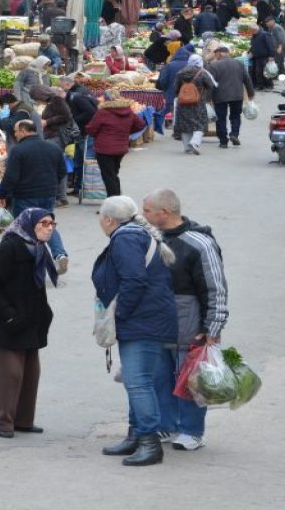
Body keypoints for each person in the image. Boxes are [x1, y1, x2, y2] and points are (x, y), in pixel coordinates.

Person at [93, 195, 178, 467]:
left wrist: (118, 316)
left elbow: (134, 280)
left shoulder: (125, 238)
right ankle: (136, 435)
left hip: (142, 321)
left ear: (108, 220)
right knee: (135, 379)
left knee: (139, 381)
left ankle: (149, 443)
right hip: (149, 318)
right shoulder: (136, 234)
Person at [142, 188, 227, 452]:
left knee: (190, 380)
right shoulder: (150, 238)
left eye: (146, 211)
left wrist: (212, 327)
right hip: (156, 324)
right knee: (160, 378)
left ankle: (192, 430)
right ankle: (166, 425)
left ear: (164, 213)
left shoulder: (199, 243)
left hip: (189, 326)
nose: (141, 215)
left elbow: (216, 287)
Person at [0, 207, 57, 439]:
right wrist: (9, 313)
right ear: (30, 225)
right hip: (5, 324)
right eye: (43, 223)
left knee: (30, 374)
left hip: (30, 322)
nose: (49, 228)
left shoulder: (38, 248)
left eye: (52, 224)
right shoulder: (11, 247)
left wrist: (44, 313)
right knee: (7, 374)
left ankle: (22, 420)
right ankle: (0, 422)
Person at [0, 120, 68, 267]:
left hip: (25, 196)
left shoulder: (18, 150)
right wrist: (51, 185)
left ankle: (29, 262)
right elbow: (62, 171)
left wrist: (2, 194)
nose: (15, 135)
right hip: (47, 194)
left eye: (16, 132)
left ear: (23, 131)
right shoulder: (53, 147)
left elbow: (11, 177)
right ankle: (59, 254)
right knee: (46, 224)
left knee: (25, 229)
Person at [85, 90, 146, 197]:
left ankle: (113, 202)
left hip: (104, 148)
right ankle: (117, 198)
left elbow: (91, 129)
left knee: (108, 176)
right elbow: (140, 124)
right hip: (120, 148)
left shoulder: (103, 112)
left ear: (106, 99)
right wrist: (125, 132)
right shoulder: (128, 111)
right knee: (113, 174)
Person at [208, 45, 254, 148]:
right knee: (235, 116)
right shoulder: (239, 64)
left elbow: (210, 83)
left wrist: (208, 98)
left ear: (220, 53)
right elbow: (247, 80)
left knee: (220, 118)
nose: (215, 56)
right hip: (237, 95)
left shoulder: (214, 66)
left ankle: (223, 141)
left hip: (220, 96)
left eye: (216, 54)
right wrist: (251, 94)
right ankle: (234, 134)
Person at [174, 55, 216, 155]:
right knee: (200, 124)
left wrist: (182, 95)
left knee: (185, 124)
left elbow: (175, 88)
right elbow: (210, 86)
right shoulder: (202, 73)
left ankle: (187, 147)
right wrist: (205, 97)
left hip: (183, 103)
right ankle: (195, 142)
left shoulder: (180, 73)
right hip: (198, 103)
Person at [249, 19, 279, 91]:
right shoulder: (254, 36)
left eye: (252, 31)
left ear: (255, 29)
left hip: (264, 57)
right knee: (258, 72)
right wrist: (250, 51)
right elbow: (253, 45)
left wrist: (272, 56)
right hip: (256, 57)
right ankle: (260, 85)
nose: (251, 32)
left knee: (266, 72)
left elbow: (271, 46)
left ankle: (269, 85)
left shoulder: (265, 35)